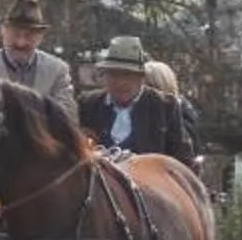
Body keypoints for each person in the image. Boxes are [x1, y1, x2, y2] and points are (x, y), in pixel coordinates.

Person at [79, 36, 199, 165]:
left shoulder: (164, 106)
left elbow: (183, 159)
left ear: (141, 77)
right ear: (105, 75)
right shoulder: (89, 105)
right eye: (114, 74)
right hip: (98, 182)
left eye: (127, 75)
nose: (121, 82)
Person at [0, 0, 72, 104]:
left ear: (40, 37)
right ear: (3, 31)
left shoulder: (57, 70)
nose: (21, 43)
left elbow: (66, 115)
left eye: (29, 36)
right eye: (15, 34)